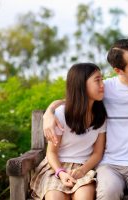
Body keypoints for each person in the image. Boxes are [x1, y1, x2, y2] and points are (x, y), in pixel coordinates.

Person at [42, 39, 128, 200]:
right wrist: (49, 113)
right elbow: (73, 100)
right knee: (107, 192)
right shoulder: (104, 89)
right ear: (118, 70)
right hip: (110, 163)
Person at [30, 63, 107, 200]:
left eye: (102, 79)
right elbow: (51, 152)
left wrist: (82, 170)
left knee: (84, 197)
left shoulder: (100, 115)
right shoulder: (61, 115)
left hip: (85, 167)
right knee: (55, 197)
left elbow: (97, 153)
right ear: (82, 85)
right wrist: (61, 172)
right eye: (97, 80)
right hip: (56, 167)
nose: (102, 84)